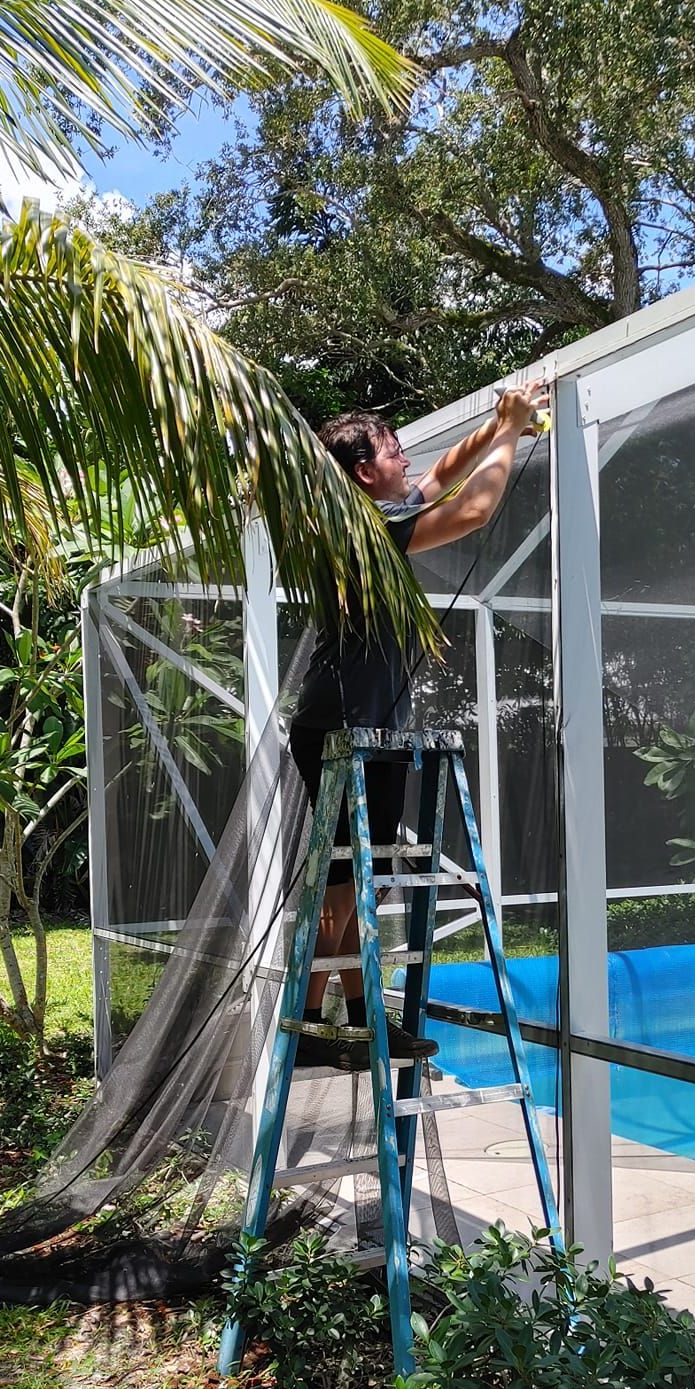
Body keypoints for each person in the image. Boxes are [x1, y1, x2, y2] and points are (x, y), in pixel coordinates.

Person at [288, 378, 548, 1066]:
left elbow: (441, 476)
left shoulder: (367, 514)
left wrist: (500, 426)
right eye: (393, 450)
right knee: (348, 885)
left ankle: (340, 1024)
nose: (406, 459)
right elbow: (473, 510)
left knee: (348, 886)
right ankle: (342, 1024)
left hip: (355, 728)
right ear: (364, 472)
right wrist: (513, 430)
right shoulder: (367, 527)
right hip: (343, 731)